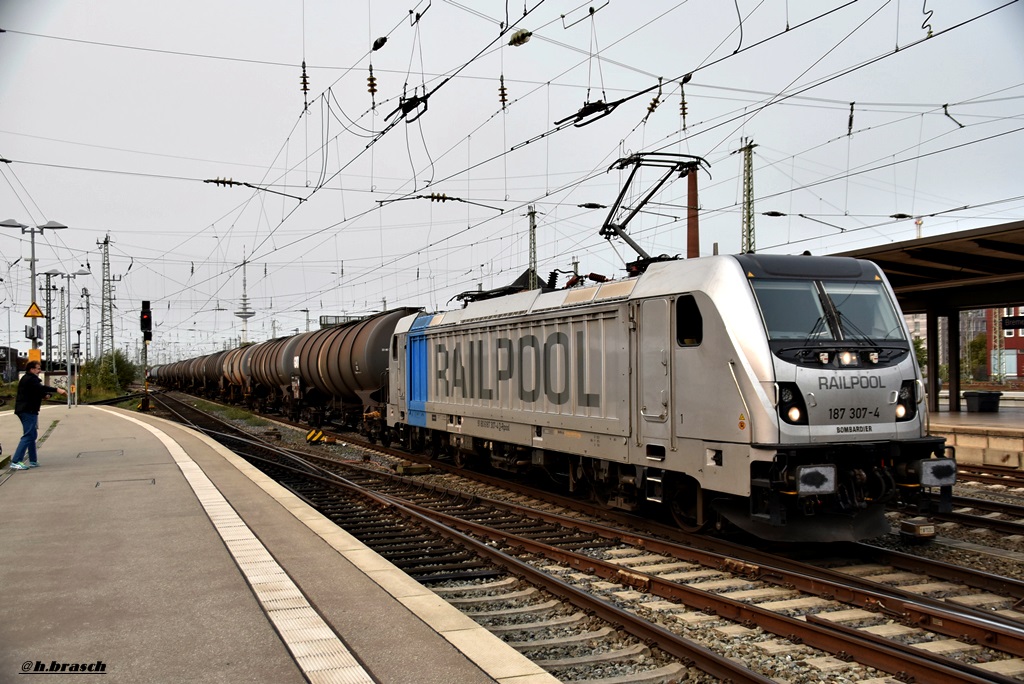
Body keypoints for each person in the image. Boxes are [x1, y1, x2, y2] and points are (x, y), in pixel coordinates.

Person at [9, 361, 66, 470]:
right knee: (28, 435)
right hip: (27, 411)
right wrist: (56, 390)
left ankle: (33, 460)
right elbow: (41, 388)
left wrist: (45, 395)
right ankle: (16, 461)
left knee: (32, 435)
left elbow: (37, 392)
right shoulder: (31, 379)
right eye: (38, 368)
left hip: (28, 410)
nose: (40, 370)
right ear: (32, 369)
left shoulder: (29, 380)